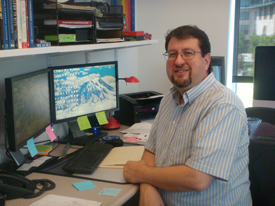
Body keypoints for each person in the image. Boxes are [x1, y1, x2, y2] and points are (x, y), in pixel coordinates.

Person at [123, 25, 252, 206]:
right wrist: (147, 186)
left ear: (206, 60)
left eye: (188, 53)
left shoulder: (223, 105)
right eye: (172, 54)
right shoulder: (169, 98)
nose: (178, 61)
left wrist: (141, 174)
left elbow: (197, 178)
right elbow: (151, 151)